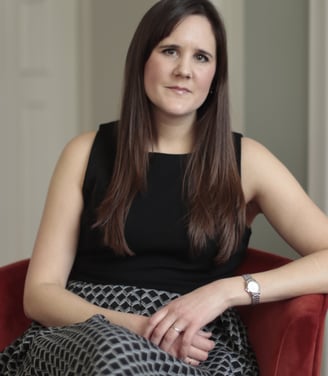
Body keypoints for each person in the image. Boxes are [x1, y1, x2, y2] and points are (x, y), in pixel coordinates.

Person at [1, 0, 328, 374]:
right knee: (111, 353)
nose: (184, 70)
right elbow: (39, 293)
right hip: (85, 335)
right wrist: (136, 328)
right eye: (170, 50)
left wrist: (226, 291)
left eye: (202, 57)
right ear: (142, 59)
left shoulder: (247, 162)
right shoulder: (84, 153)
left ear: (215, 75)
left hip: (193, 345)